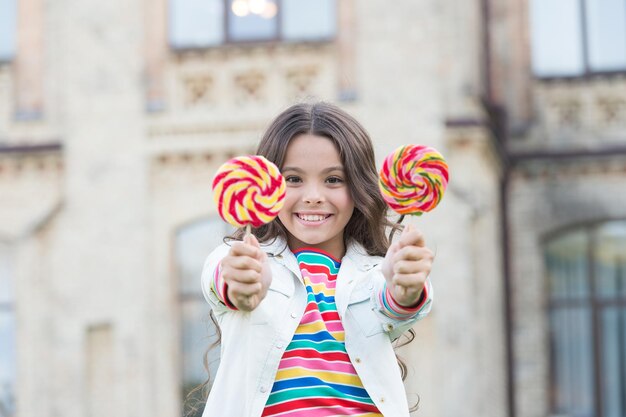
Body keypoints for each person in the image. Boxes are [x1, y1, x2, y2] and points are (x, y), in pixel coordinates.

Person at [200, 102, 434, 417]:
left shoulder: (376, 273)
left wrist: (405, 288)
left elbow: (393, 303)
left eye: (333, 180)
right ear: (266, 185)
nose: (313, 195)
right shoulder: (239, 258)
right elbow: (223, 281)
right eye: (293, 179)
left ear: (358, 188)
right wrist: (244, 284)